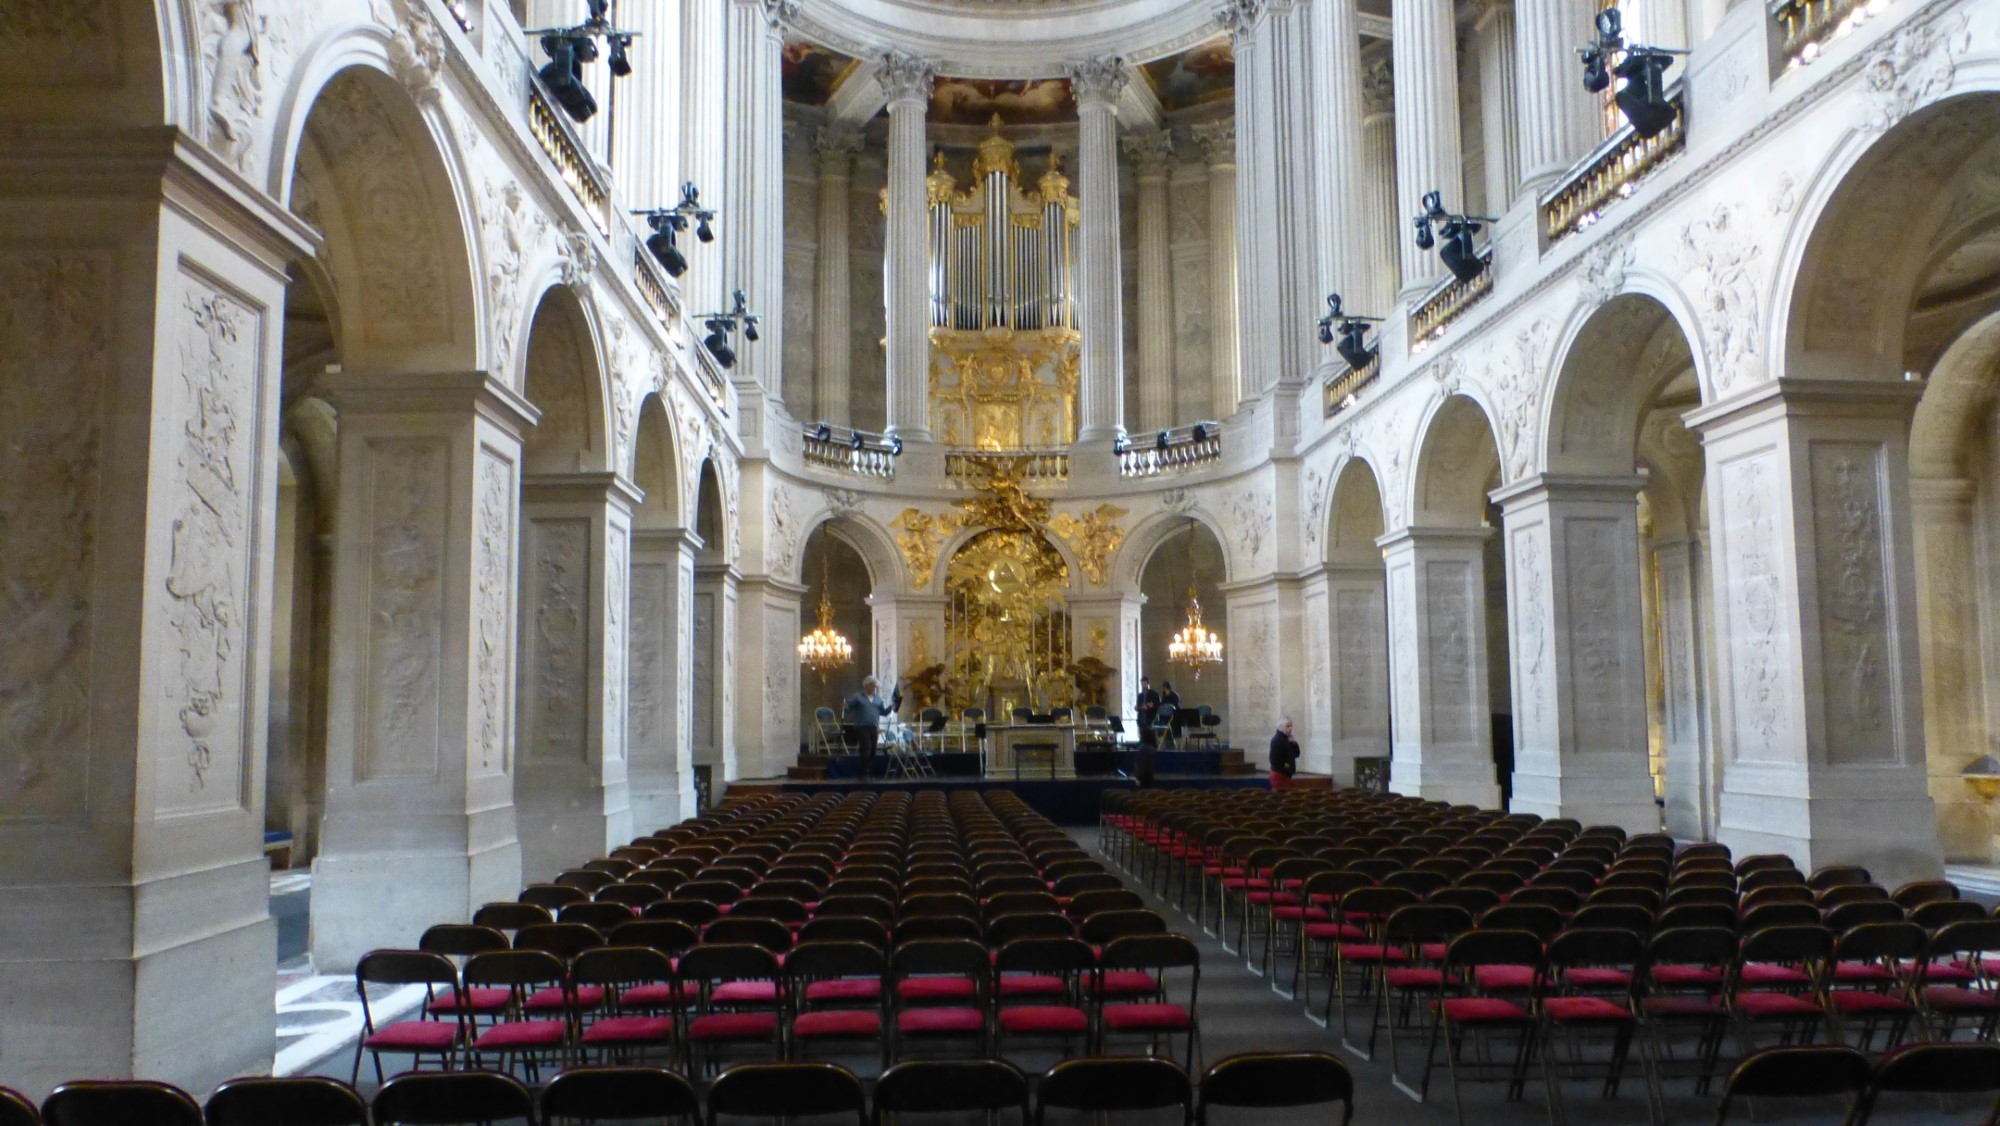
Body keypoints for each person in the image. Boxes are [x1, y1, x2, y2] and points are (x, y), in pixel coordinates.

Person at [843, 675, 902, 781]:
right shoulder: (858, 697)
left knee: (873, 750)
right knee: (866, 748)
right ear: (866, 686)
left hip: (873, 726)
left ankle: (866, 771)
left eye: (875, 686)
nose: (874, 688)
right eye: (872, 686)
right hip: (861, 726)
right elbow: (848, 708)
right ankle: (865, 773)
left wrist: (891, 708)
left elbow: (883, 712)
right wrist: (845, 708)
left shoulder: (878, 699)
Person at [1134, 677, 1162, 786]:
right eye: (1142, 684)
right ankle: (1143, 743)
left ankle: (1152, 746)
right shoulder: (1140, 695)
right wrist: (1138, 707)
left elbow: (1157, 705)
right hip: (1142, 717)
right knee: (1142, 732)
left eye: (1144, 683)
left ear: (1148, 683)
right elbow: (1139, 705)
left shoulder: (1154, 694)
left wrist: (1151, 706)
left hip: (1151, 717)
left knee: (1150, 733)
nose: (1143, 686)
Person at [1269, 717, 1300, 791]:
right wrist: (1287, 765)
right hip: (1279, 775)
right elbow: (1274, 760)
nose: (1290, 728)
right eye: (1287, 726)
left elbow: (1297, 754)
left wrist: (1294, 743)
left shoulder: (1288, 738)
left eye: (1291, 726)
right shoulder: (1276, 740)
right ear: (1280, 727)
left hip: (1287, 775)